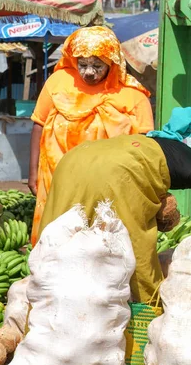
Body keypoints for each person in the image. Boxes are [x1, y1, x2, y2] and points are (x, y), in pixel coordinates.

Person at [38, 107, 191, 304]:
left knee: (58, 238)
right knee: (134, 243)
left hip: (72, 160)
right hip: (119, 170)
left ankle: (42, 307)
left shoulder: (152, 140)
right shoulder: (184, 161)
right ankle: (148, 306)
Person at [28, 26, 154, 245]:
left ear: (112, 63)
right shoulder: (58, 82)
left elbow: (146, 143)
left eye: (97, 66)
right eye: (82, 64)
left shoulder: (133, 95)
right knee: (58, 239)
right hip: (58, 180)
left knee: (102, 242)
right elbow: (39, 124)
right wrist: (32, 174)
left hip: (109, 185)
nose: (88, 72)